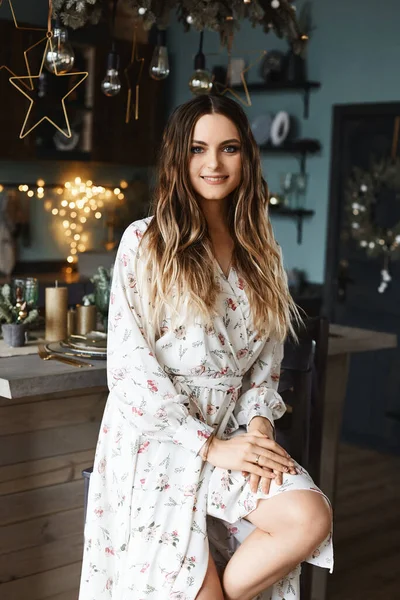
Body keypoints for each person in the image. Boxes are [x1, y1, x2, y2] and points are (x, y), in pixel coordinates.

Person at [78, 95, 333, 600]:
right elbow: (130, 370)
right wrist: (210, 446)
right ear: (179, 156)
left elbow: (266, 363)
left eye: (229, 148)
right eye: (198, 148)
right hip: (160, 440)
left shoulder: (263, 251)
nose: (213, 163)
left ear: (247, 156)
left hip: (235, 434)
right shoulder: (147, 243)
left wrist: (258, 429)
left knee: (308, 517)